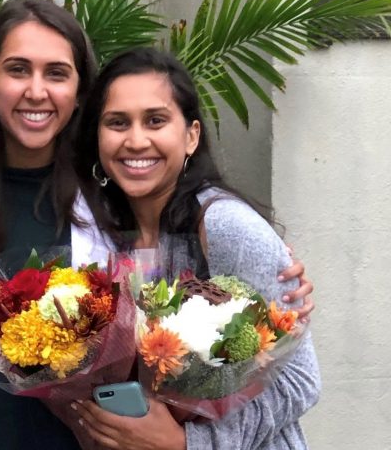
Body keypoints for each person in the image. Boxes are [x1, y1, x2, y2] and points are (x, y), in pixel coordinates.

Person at [0, 0, 313, 450]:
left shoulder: (106, 202)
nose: (36, 90)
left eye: (56, 72)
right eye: (17, 69)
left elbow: (293, 374)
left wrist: (188, 442)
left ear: (77, 92)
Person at [71, 47, 321, 449]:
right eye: (117, 123)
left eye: (155, 120)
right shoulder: (108, 236)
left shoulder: (224, 225)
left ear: (191, 135)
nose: (136, 140)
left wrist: (190, 443)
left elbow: (300, 381)